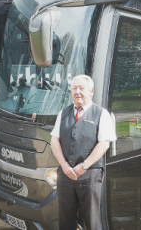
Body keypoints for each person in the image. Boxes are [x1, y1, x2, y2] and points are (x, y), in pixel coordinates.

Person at [50, 75, 116, 230]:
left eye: (81, 88)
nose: (77, 92)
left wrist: (84, 165)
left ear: (91, 91)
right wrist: (64, 165)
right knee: (65, 221)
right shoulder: (63, 113)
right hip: (66, 175)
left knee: (92, 221)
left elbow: (104, 143)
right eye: (74, 88)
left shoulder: (101, 114)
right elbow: (54, 141)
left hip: (90, 175)